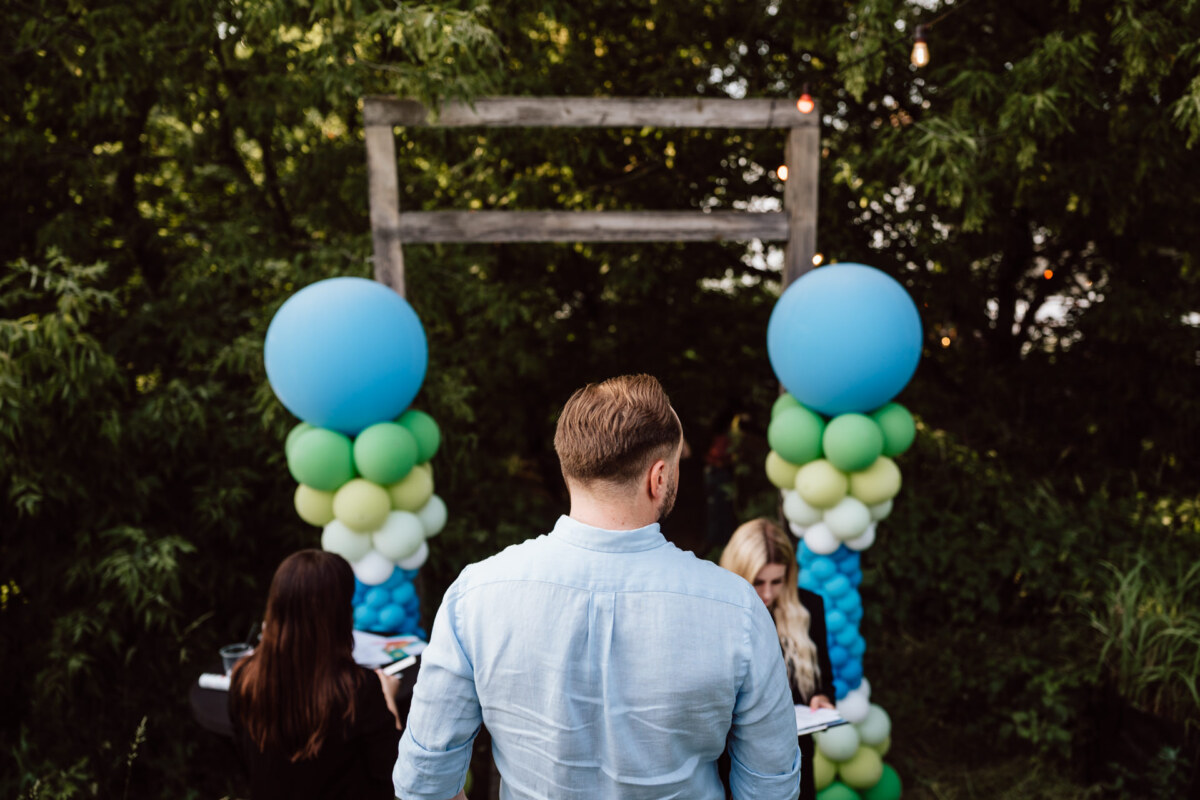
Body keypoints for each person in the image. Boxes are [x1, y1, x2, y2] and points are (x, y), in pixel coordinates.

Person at [394, 374, 801, 800]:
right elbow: (770, 787)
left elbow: (425, 785)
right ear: (659, 477)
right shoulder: (736, 608)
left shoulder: (474, 596)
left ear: (570, 467)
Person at [229, 549, 404, 800]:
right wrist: (389, 699)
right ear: (340, 613)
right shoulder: (357, 689)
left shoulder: (244, 678)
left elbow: (246, 763)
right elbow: (394, 772)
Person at [719, 518, 836, 800]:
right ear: (738, 573)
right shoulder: (717, 613)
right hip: (732, 758)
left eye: (777, 581)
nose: (768, 593)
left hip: (794, 755)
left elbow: (825, 683)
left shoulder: (809, 607)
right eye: (758, 582)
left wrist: (821, 698)